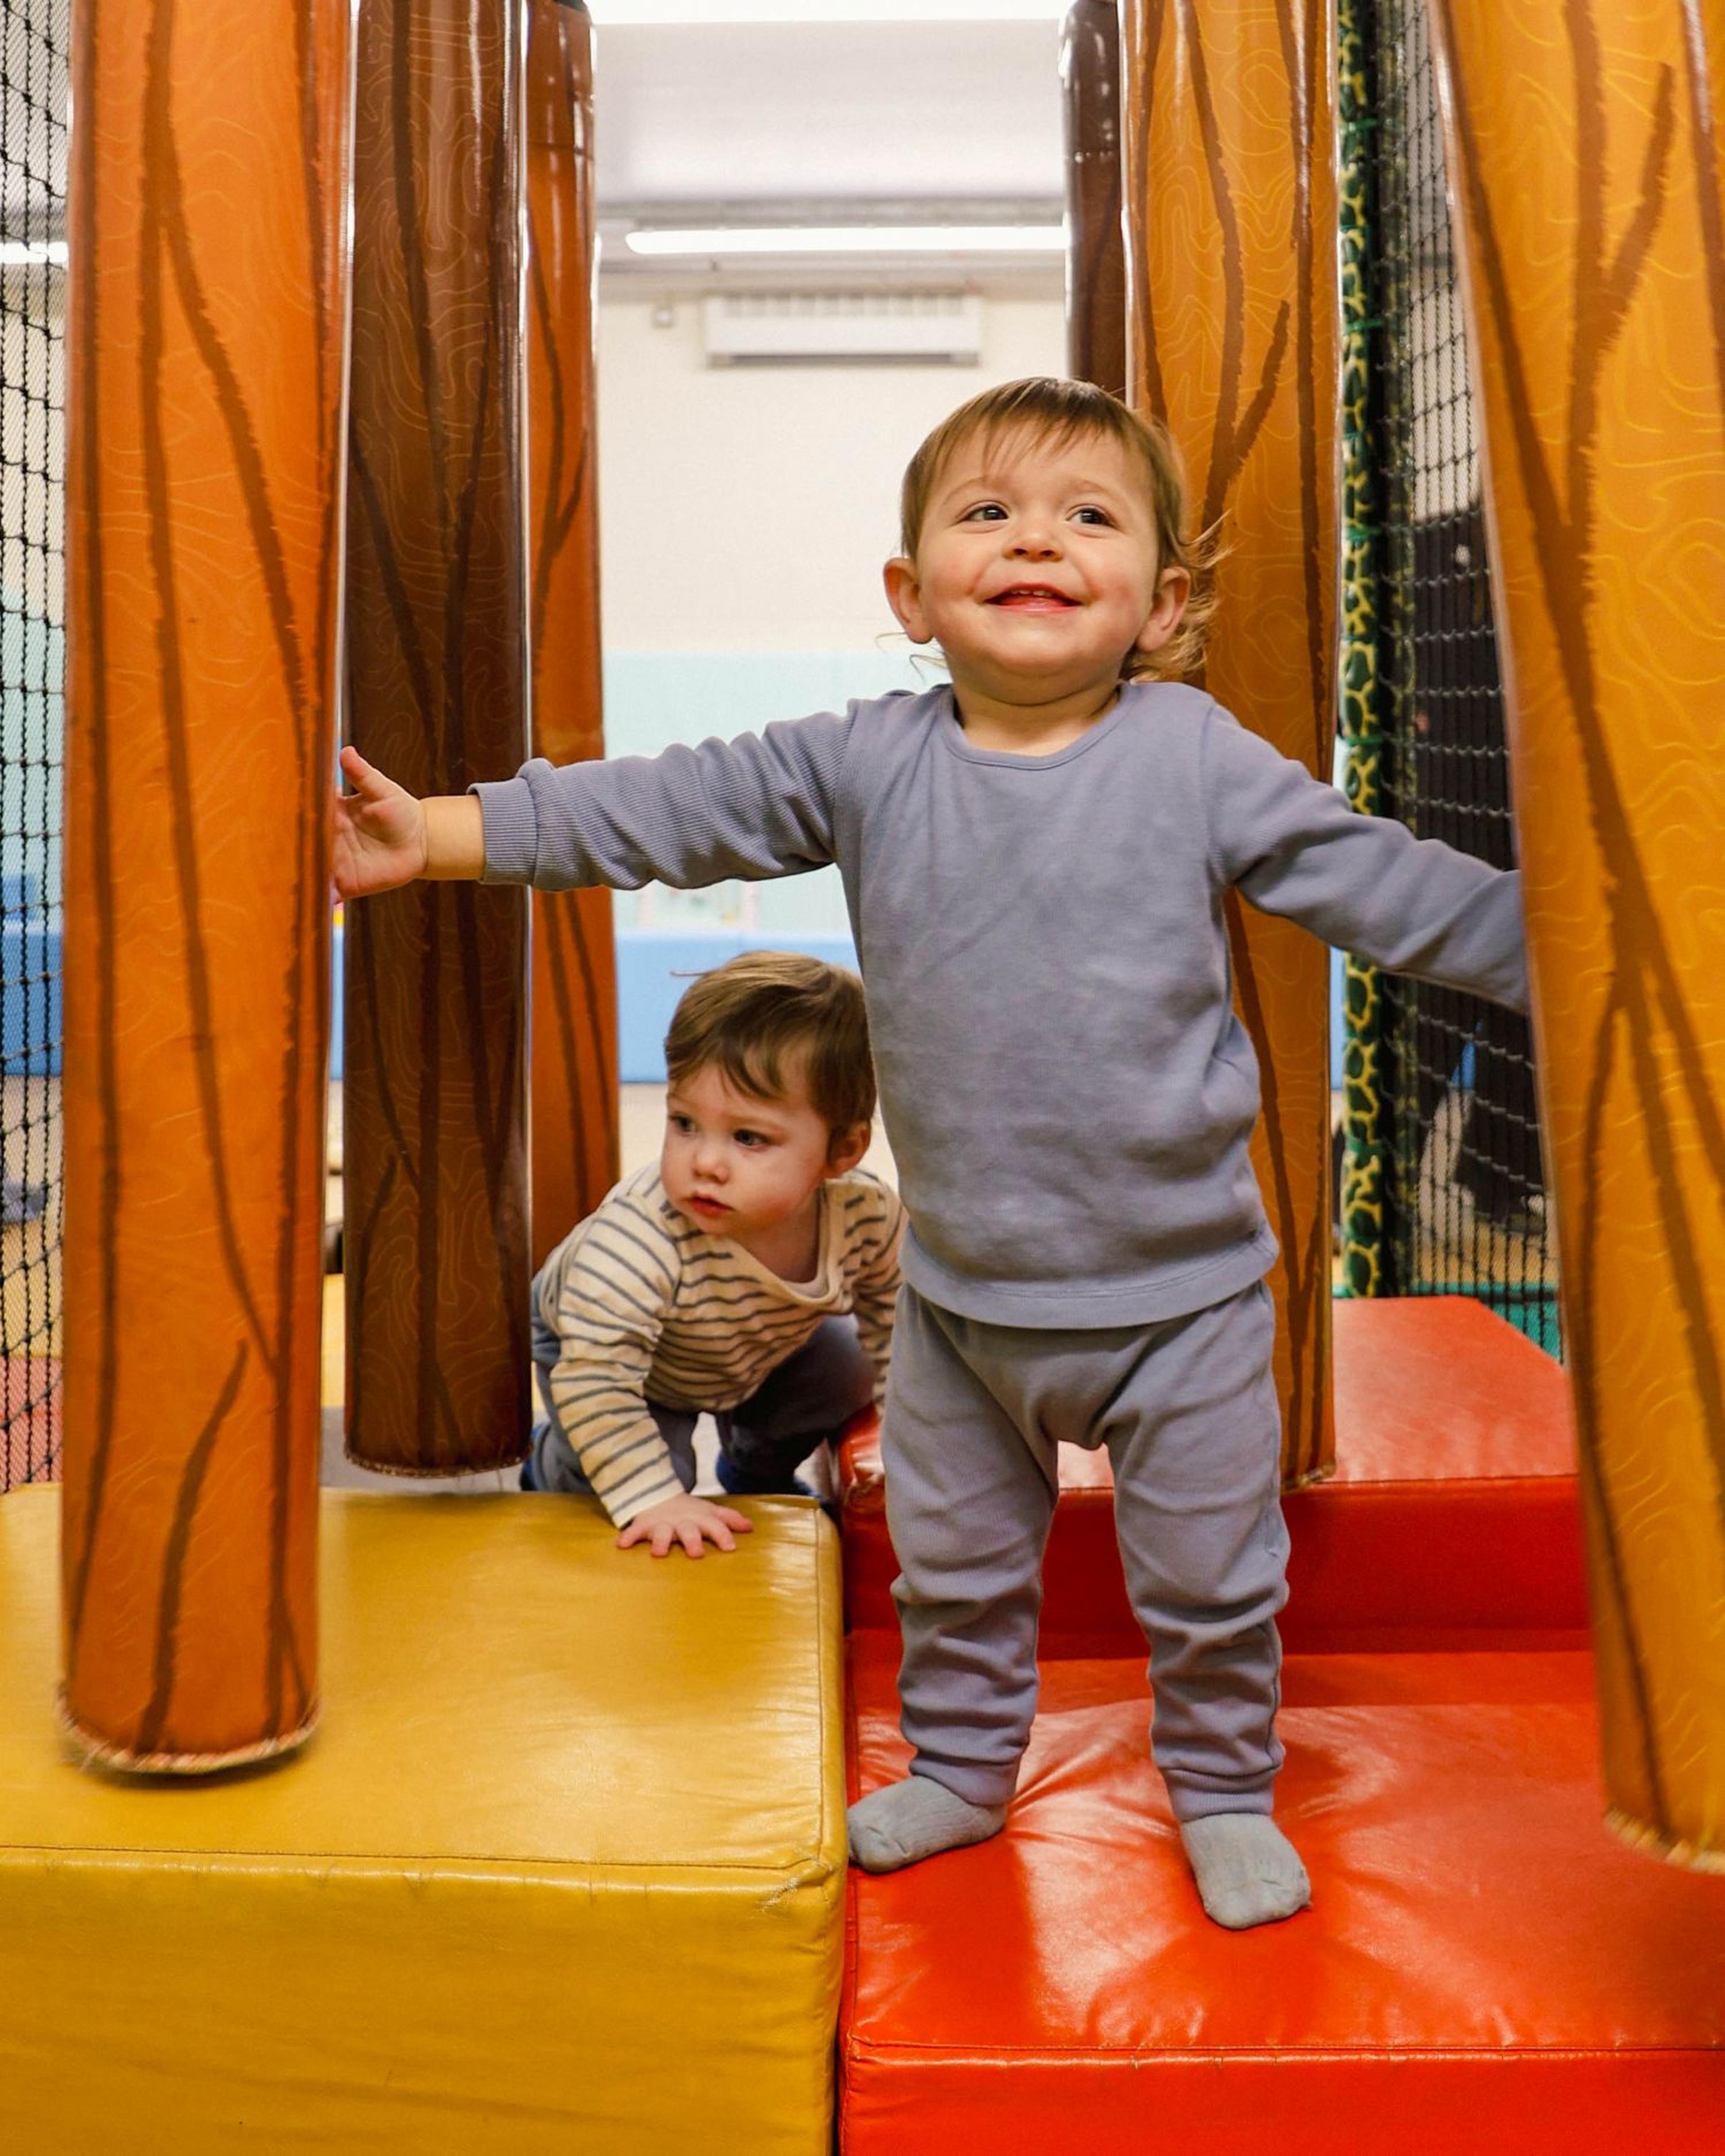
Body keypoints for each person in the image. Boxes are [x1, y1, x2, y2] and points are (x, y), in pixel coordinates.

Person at [334, 376, 1526, 1931]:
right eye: (988, 513)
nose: (1036, 538)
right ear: (913, 594)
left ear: (1160, 604)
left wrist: (1585, 950)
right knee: (957, 1571)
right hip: (966, 1310)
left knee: (1213, 1581)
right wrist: (440, 833)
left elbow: (1389, 889)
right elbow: (669, 808)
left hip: (1184, 1305)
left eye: (1087, 516)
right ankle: (966, 1770)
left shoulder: (1197, 758)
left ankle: (1221, 1785)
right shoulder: (865, 763)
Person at [522, 950, 900, 1560]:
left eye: (748, 1137)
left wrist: (911, 1442)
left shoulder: (867, 1218)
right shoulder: (635, 1244)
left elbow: (894, 1320)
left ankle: (752, 1471)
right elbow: (594, 1377)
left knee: (847, 1364)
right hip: (622, 1365)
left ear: (843, 1150)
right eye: (685, 1123)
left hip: (748, 1343)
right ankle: (550, 1465)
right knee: (642, 1473)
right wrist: (654, 1497)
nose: (705, 1163)